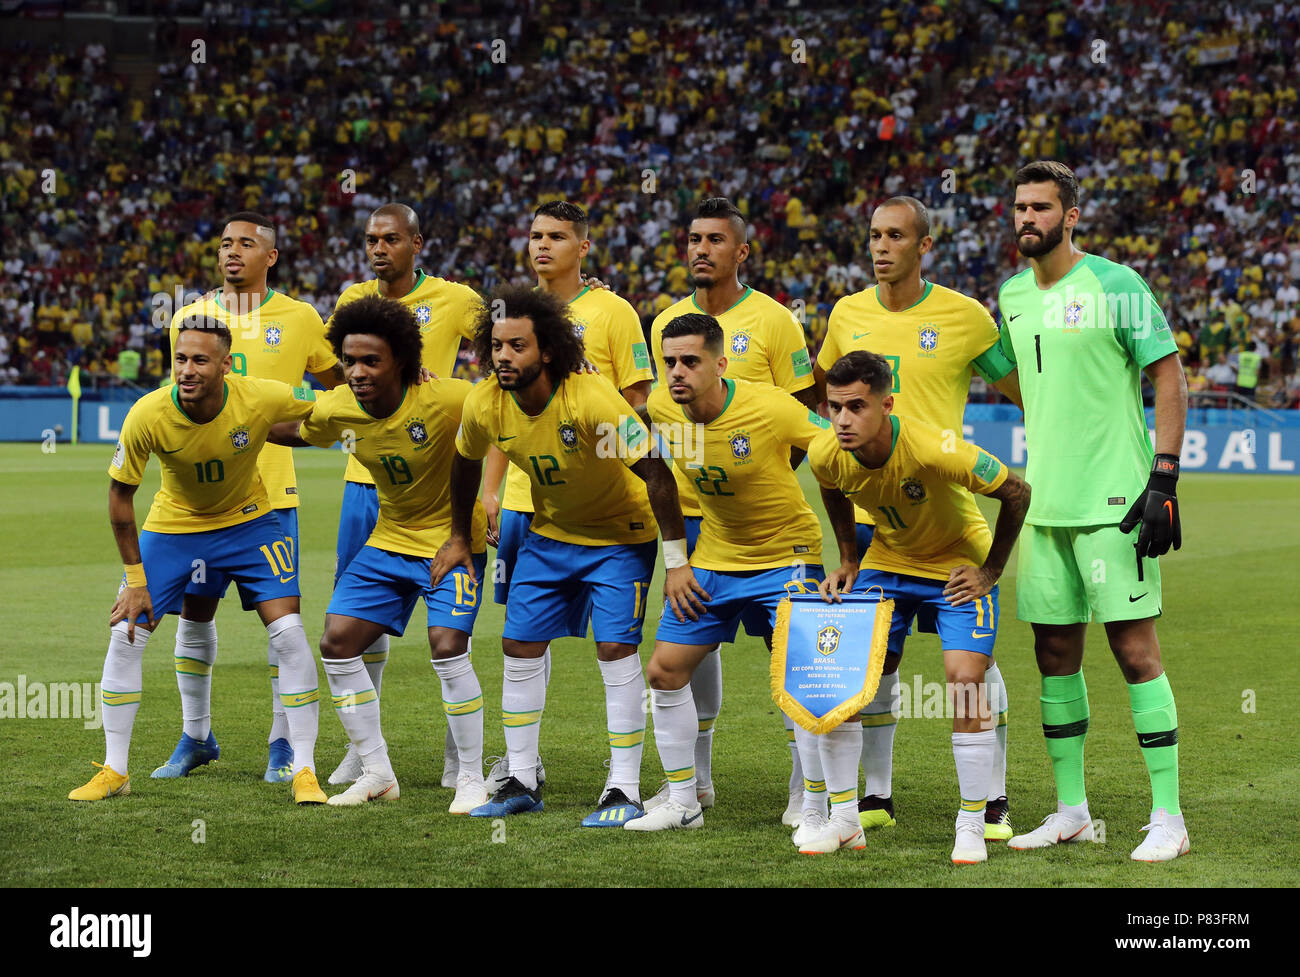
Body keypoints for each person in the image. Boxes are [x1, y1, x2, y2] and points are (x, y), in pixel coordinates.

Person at [436, 285, 694, 825]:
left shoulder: (592, 399)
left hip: (620, 538)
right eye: (497, 346)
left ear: (547, 350)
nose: (504, 357)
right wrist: (460, 535)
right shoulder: (486, 401)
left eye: (518, 347)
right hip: (550, 534)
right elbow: (463, 463)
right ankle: (521, 779)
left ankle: (622, 789)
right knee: (519, 643)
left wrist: (676, 562)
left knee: (616, 650)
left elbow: (656, 473)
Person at [995, 160, 1189, 861]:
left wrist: (1163, 476)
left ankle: (1168, 815)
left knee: (1135, 652)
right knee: (1053, 655)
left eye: (1041, 207)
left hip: (1117, 504)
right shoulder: (1012, 294)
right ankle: (1070, 808)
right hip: (1046, 508)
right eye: (1019, 206)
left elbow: (1168, 371)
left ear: (1070, 217)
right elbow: (1024, 380)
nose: (1027, 218)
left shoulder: (1116, 284)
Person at [813, 196, 1023, 839]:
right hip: (876, 507)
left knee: (972, 667)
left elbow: (1023, 389)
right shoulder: (846, 313)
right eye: (873, 234)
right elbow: (827, 398)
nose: (880, 247)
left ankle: (993, 797)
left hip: (948, 502)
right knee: (878, 662)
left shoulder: (964, 317)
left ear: (923, 245)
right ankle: (876, 796)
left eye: (895, 236)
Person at [69, 318, 327, 805]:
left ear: (226, 366)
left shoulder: (260, 395)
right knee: (126, 632)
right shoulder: (148, 412)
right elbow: (120, 498)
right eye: (180, 360)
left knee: (289, 634)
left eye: (200, 360)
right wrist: (134, 580)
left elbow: (329, 405)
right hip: (175, 528)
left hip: (249, 523)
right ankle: (115, 769)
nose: (187, 370)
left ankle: (304, 769)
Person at [268, 296, 491, 812]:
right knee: (338, 640)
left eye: (372, 361)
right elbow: (297, 431)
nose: (357, 372)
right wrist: (231, 424)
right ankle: (377, 771)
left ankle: (472, 778)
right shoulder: (339, 406)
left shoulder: (450, 399)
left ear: (402, 361)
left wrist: (492, 499)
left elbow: (502, 417)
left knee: (446, 644)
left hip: (450, 542)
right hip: (389, 539)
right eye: (349, 361)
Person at [154, 211, 344, 785]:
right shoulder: (188, 317)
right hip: (198, 498)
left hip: (271, 493)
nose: (231, 252)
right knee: (195, 613)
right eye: (224, 244)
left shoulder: (302, 318)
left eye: (245, 244)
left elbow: (340, 389)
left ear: (271, 256)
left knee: (279, 624)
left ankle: (283, 743)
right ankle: (196, 735)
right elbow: (179, 401)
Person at [628, 312, 835, 836]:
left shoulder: (770, 407)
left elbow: (836, 457)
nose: (676, 372)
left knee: (801, 679)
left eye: (690, 361)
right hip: (716, 557)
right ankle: (685, 800)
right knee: (664, 671)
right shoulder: (659, 406)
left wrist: (850, 556)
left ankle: (810, 801)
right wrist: (676, 563)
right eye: (669, 361)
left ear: (720, 364)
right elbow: (658, 479)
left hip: (786, 554)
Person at [648, 196, 819, 825]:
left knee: (789, 657)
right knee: (696, 648)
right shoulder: (667, 320)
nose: (700, 249)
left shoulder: (775, 321)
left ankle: (810, 790)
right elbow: (655, 441)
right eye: (693, 238)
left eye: (715, 240)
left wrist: (750, 484)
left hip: (763, 517)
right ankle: (696, 782)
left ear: (740, 251)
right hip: (688, 517)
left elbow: (802, 429)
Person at [478, 201, 654, 798]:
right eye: (534, 235)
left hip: (599, 498)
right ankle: (524, 763)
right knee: (525, 630)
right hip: (528, 499)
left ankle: (624, 777)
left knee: (611, 640)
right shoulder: (510, 311)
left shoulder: (613, 311)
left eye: (556, 236)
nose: (542, 246)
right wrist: (492, 490)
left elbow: (636, 403)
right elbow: (504, 414)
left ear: (583, 246)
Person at [327, 203, 483, 789]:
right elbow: (333, 373)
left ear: (417, 243)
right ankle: (362, 752)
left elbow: (500, 344)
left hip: (439, 476)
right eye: (371, 239)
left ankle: (459, 762)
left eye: (391, 239)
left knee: (449, 635)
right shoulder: (351, 300)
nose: (378, 248)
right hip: (365, 480)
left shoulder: (455, 298)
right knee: (358, 621)